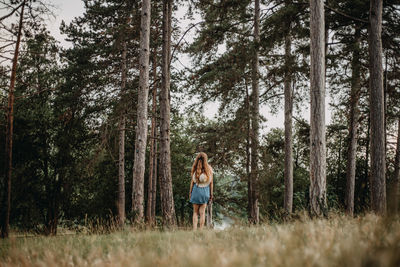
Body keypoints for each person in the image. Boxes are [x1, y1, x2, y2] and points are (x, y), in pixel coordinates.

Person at [189, 152, 213, 230]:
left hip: (196, 191)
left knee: (195, 213)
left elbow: (192, 182)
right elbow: (211, 183)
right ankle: (201, 230)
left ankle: (194, 230)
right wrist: (211, 194)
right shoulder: (209, 168)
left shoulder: (194, 168)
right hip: (205, 192)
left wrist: (190, 192)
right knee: (202, 213)